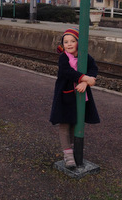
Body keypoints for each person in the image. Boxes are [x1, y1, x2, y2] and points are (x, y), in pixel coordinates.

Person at [50, 27, 100, 169]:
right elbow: (67, 72)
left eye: (72, 41)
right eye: (66, 42)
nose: (69, 44)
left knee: (76, 122)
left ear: (79, 42)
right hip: (65, 96)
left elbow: (93, 68)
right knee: (65, 123)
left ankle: (73, 148)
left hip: (80, 95)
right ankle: (68, 154)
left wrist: (85, 82)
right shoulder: (63, 57)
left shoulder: (84, 56)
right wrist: (84, 78)